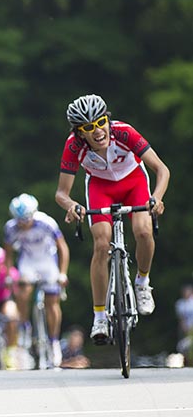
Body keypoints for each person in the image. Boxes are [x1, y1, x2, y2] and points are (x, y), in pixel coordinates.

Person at [55, 94, 170, 344]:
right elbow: (61, 193)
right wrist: (73, 205)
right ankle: (99, 318)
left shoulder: (124, 132)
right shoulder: (73, 146)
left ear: (107, 120)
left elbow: (162, 170)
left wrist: (157, 198)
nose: (97, 131)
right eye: (88, 128)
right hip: (100, 188)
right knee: (101, 244)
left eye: (100, 123)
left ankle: (142, 282)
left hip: (134, 182)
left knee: (143, 231)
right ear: (79, 133)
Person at [3, 193, 69, 367]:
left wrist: (62, 273)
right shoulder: (11, 228)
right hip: (28, 261)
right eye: (20, 221)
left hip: (47, 260)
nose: (23, 224)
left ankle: (54, 341)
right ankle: (24, 326)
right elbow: (8, 253)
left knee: (52, 302)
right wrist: (10, 274)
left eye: (26, 220)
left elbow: (62, 247)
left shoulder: (46, 223)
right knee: (23, 289)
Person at [175, 284, 193, 363]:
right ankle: (186, 361)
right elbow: (181, 318)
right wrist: (184, 327)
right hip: (186, 328)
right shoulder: (180, 303)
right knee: (183, 345)